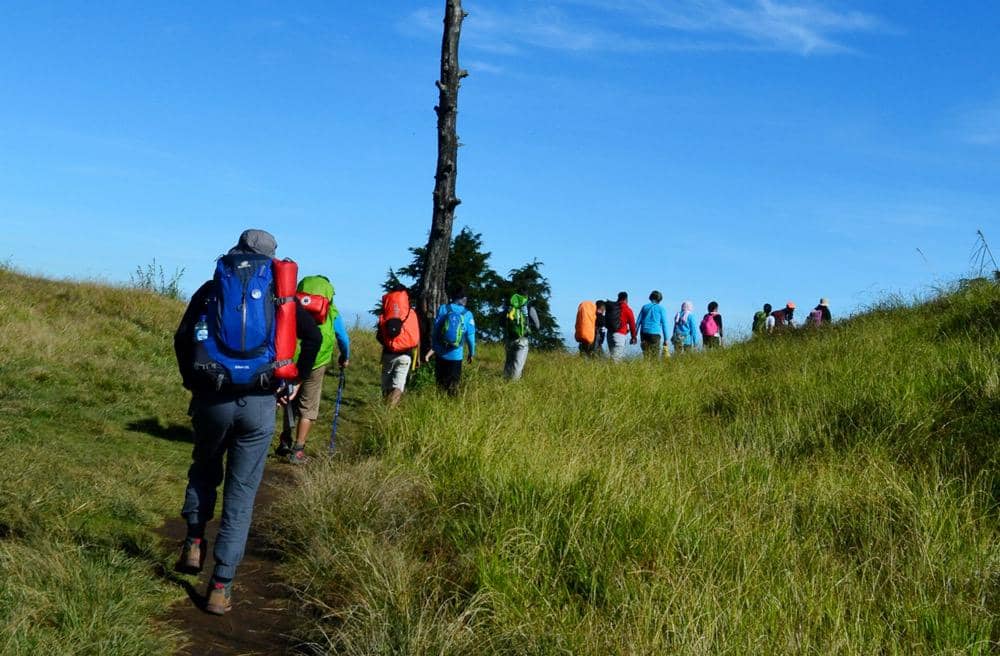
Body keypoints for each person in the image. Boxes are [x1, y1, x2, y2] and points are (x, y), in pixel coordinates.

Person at [173, 229, 321, 615]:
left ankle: (192, 541)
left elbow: (182, 337)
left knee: (205, 468)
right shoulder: (281, 295)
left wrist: (194, 384)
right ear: (271, 259)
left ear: (236, 252)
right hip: (258, 403)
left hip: (212, 399)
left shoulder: (212, 287)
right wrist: (293, 380)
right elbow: (314, 338)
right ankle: (221, 586)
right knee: (241, 493)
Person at [277, 274, 350, 464]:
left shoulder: (292, 305)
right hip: (317, 362)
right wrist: (345, 356)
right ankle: (298, 450)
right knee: (308, 407)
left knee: (289, 398)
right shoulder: (332, 312)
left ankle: (285, 440)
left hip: (292, 358)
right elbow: (343, 338)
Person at [376, 285, 421, 407]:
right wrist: (417, 359)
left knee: (386, 384)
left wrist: (389, 343)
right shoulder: (411, 313)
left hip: (388, 354)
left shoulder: (386, 314)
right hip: (405, 355)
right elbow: (416, 338)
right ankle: (390, 411)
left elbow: (379, 336)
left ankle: (384, 405)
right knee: (398, 385)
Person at [426, 287, 476, 395]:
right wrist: (471, 353)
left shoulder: (443, 309)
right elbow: (471, 338)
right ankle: (452, 405)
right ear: (463, 299)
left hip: (440, 353)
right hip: (456, 355)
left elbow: (435, 330)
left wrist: (435, 347)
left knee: (440, 385)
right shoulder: (468, 314)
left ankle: (439, 405)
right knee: (453, 385)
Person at [503, 287, 541, 380]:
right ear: (527, 296)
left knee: (508, 364)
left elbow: (502, 322)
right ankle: (513, 387)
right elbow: (538, 326)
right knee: (517, 366)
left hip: (510, 338)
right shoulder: (529, 307)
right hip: (522, 340)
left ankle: (504, 384)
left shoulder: (510, 306)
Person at [636, 290, 670, 358]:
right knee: (654, 356)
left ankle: (646, 368)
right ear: (660, 299)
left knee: (646, 355)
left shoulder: (644, 307)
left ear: (651, 297)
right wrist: (666, 339)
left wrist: (634, 335)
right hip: (655, 334)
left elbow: (638, 322)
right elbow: (664, 324)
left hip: (644, 333)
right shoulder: (661, 309)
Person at [607, 291, 637, 362]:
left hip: (609, 334)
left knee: (613, 356)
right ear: (626, 299)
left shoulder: (612, 308)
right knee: (616, 360)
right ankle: (612, 372)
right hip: (619, 336)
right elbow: (632, 325)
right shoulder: (627, 310)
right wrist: (633, 337)